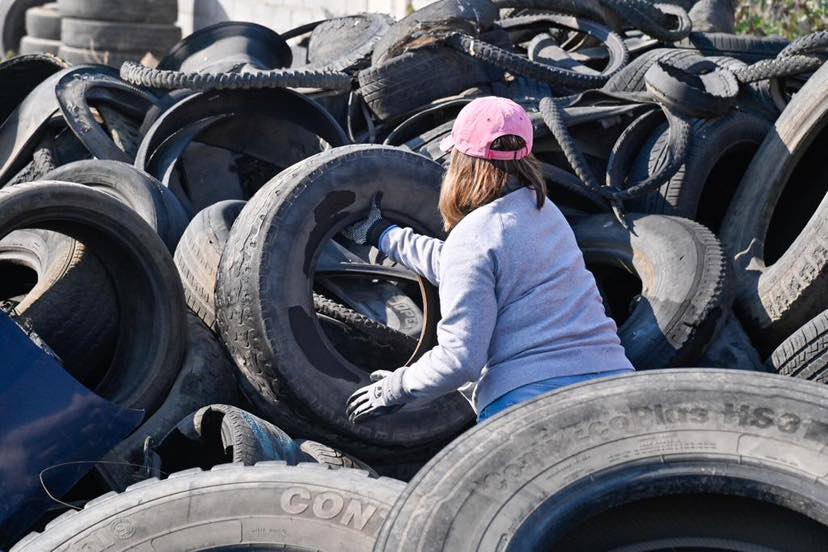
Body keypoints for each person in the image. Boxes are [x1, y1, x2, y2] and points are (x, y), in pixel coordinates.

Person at [342, 96, 634, 424]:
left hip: (534, 406)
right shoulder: (544, 212)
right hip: (616, 384)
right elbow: (466, 269)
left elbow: (460, 361)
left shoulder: (474, 237)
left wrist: (395, 388)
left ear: (461, 162)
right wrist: (383, 235)